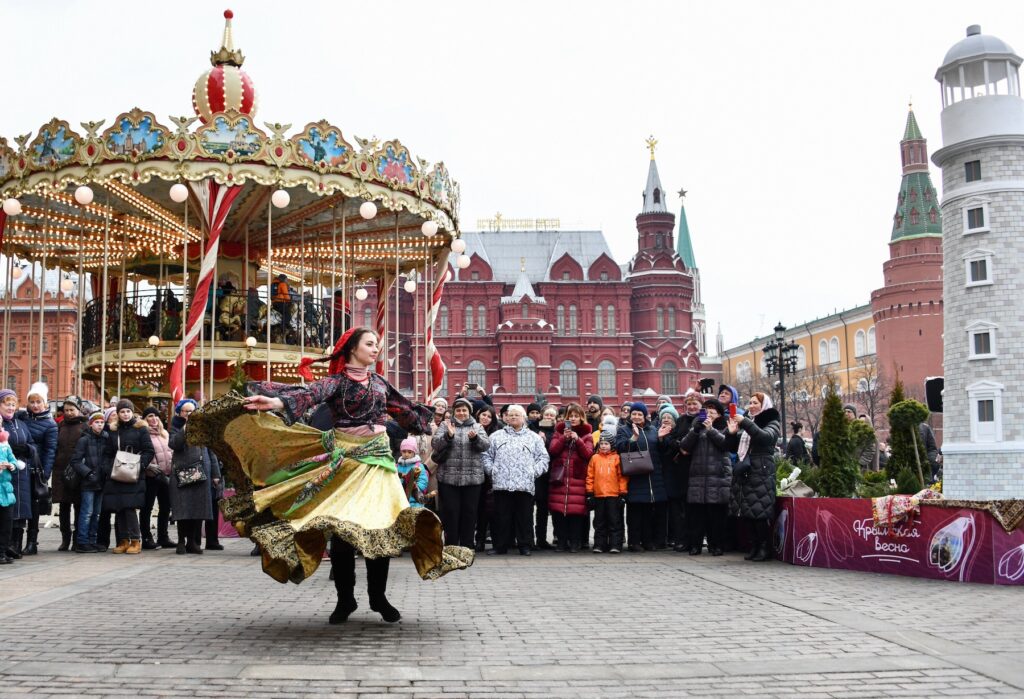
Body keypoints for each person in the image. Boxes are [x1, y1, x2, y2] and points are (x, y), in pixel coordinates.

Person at [209, 327, 470, 625]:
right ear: (351, 349)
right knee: (344, 532)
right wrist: (278, 403)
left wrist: (434, 420)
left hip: (379, 464)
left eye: (377, 345)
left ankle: (378, 596)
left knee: (381, 528)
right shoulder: (336, 383)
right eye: (370, 344)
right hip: (346, 462)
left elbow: (406, 411)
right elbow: (309, 395)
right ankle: (345, 598)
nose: (376, 349)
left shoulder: (380, 384)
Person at [482, 404, 549, 556]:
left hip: (524, 484)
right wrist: (492, 471)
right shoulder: (496, 436)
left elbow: (543, 458)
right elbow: (486, 456)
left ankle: (525, 545)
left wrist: (534, 471)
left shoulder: (534, 437)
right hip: (502, 484)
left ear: (523, 418)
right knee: (501, 516)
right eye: (510, 415)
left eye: (516, 415)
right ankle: (500, 546)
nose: (513, 417)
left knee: (524, 516)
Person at [725, 392, 781, 562]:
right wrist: (732, 433)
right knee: (748, 511)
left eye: (756, 402)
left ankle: (764, 548)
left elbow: (765, 438)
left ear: (764, 405)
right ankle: (754, 546)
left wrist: (746, 422)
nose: (751, 405)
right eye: (750, 402)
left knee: (760, 512)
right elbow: (733, 448)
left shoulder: (771, 421)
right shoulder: (747, 422)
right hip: (746, 469)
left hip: (761, 470)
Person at [431, 397, 489, 547]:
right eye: (458, 410)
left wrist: (475, 439)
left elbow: (485, 445)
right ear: (454, 412)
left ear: (469, 412)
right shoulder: (445, 425)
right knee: (451, 512)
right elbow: (435, 444)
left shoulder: (477, 427)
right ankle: (451, 545)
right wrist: (448, 436)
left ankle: (467, 545)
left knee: (469, 513)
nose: (461, 413)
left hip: (473, 479)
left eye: (464, 410)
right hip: (448, 478)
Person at [103, 400, 155, 555]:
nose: (125, 414)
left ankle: (135, 540)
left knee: (130, 508)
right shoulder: (113, 430)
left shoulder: (141, 429)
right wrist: (108, 468)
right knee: (119, 508)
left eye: (128, 411)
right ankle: (123, 541)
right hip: (117, 473)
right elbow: (107, 453)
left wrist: (140, 466)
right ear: (118, 414)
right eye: (122, 412)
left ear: (133, 412)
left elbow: (148, 450)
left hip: (133, 473)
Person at [681, 399, 732, 556]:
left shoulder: (725, 426)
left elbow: (726, 445)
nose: (709, 415)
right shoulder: (697, 426)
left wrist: (711, 430)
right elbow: (684, 445)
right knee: (697, 515)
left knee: (716, 515)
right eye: (706, 411)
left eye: (712, 412)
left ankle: (716, 545)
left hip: (718, 475)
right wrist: (695, 431)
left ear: (719, 414)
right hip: (698, 476)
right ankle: (695, 545)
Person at [615, 402, 667, 552]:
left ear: (645, 416)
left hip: (653, 475)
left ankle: (648, 541)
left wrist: (662, 439)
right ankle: (634, 542)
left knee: (649, 511)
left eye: (639, 414)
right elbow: (620, 448)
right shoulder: (624, 430)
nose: (636, 417)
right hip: (635, 476)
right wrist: (633, 439)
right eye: (634, 414)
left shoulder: (653, 430)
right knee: (635, 512)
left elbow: (662, 452)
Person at [547, 403, 594, 553]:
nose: (573, 419)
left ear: (581, 418)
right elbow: (552, 450)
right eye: (570, 416)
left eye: (576, 416)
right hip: (559, 478)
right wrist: (563, 439)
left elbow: (588, 454)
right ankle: (561, 542)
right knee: (559, 512)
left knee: (576, 513)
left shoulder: (587, 435)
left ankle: (575, 542)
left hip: (577, 478)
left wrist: (578, 440)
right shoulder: (558, 432)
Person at [19, 382, 58, 556]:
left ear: (45, 403)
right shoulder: (21, 418)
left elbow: (50, 451)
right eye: (32, 401)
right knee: (20, 503)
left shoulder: (50, 424)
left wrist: (45, 473)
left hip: (36, 469)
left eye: (38, 401)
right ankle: (15, 541)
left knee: (34, 506)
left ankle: (32, 541)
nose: (35, 405)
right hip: (20, 467)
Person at [0, 388, 35, 559]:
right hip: (4, 473)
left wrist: (28, 449)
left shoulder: (21, 424)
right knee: (6, 511)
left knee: (20, 509)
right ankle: (5, 546)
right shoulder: (1, 424)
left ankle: (14, 545)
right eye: (7, 405)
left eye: (13, 405)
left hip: (21, 472)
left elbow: (32, 444)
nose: (10, 408)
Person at [70, 412, 111, 553]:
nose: (99, 425)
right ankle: (82, 541)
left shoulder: (106, 438)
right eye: (96, 422)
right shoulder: (84, 440)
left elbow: (108, 457)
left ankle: (92, 540)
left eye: (102, 422)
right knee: (87, 512)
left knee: (97, 513)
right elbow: (75, 461)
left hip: (101, 480)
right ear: (91, 424)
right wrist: (88, 473)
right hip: (88, 481)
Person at [52, 395, 88, 551]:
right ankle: (65, 537)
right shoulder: (59, 426)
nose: (68, 413)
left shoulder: (85, 427)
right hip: (60, 470)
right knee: (63, 506)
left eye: (72, 410)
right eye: (66, 410)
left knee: (79, 506)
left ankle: (77, 538)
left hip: (78, 471)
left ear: (79, 409)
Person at [140, 406, 174, 549]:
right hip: (150, 476)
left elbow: (170, 452)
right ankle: (147, 537)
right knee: (147, 508)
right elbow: (140, 453)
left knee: (165, 507)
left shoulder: (164, 434)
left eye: (156, 416)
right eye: (150, 416)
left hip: (165, 475)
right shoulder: (142, 433)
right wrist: (148, 467)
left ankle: (163, 536)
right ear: (145, 419)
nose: (153, 419)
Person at [586, 435, 626, 553]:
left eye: (606, 444)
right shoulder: (595, 458)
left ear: (612, 445)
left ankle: (615, 545)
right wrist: (590, 492)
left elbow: (622, 477)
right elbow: (590, 476)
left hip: (613, 495)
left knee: (614, 521)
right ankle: (599, 544)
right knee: (599, 522)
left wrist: (622, 493)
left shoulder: (617, 458)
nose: (603, 446)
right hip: (599, 495)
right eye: (601, 443)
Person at [473, 406, 501, 552]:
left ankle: (482, 540)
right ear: (478, 415)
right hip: (473, 475)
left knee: (487, 510)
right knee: (475, 510)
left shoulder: (496, 433)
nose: (485, 418)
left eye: (489, 416)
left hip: (489, 477)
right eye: (483, 414)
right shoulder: (471, 428)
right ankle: (477, 539)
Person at [530, 404, 558, 549]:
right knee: (529, 507)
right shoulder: (532, 429)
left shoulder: (557, 431)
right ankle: (529, 540)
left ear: (556, 418)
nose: (549, 417)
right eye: (546, 414)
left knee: (543, 508)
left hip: (550, 474)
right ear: (541, 416)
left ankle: (541, 539)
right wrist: (537, 433)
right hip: (534, 474)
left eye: (552, 415)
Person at [0, 426, 18, 564]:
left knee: (6, 524)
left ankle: (2, 550)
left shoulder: (5, 444)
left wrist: (11, 465)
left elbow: (14, 460)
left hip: (6, 490)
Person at [397, 437, 428, 508]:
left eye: (409, 452)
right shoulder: (397, 466)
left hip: (414, 499)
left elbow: (423, 481)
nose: (406, 454)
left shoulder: (418, 466)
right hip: (399, 498)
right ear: (401, 452)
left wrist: (415, 487)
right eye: (404, 451)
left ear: (414, 452)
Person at [272, 273, 292, 343]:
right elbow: (285, 294)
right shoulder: (283, 284)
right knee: (288, 314)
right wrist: (289, 301)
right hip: (280, 302)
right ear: (284, 279)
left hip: (276, 302)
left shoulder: (279, 284)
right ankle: (283, 327)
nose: (287, 280)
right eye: (286, 279)